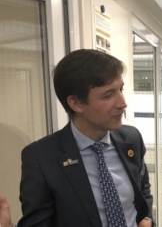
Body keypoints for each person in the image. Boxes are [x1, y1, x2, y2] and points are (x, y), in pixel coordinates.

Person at [0, 49, 153, 227]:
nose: (122, 103)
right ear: (76, 103)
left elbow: (143, 188)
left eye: (121, 89)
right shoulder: (41, 158)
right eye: (108, 95)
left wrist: (146, 219)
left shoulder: (131, 138)